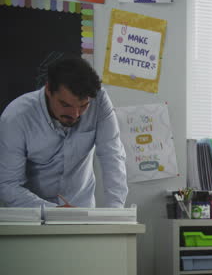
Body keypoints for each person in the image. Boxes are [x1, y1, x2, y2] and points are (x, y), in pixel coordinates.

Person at [0, 55, 128, 208]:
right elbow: (8, 184)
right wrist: (56, 211)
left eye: (83, 106)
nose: (75, 114)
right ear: (48, 89)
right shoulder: (17, 117)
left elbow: (112, 156)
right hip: (32, 215)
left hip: (81, 210)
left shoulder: (99, 101)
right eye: (65, 105)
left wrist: (116, 212)